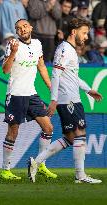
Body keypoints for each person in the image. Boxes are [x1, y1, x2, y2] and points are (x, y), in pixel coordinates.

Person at [28, 17, 103, 184]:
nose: (86, 37)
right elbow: (56, 74)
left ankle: (36, 162)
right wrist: (53, 99)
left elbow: (73, 77)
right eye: (84, 33)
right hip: (68, 100)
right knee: (80, 135)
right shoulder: (64, 49)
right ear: (74, 32)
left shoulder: (70, 50)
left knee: (70, 138)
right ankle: (80, 176)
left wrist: (88, 90)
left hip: (71, 98)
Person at [1, 19, 57, 180]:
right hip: (16, 94)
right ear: (16, 32)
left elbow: (41, 66)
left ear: (30, 28)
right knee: (13, 131)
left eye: (25, 26)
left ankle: (40, 164)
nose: (22, 29)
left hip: (31, 93)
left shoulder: (37, 44)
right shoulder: (12, 44)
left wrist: (50, 87)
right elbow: (5, 70)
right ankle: (6, 169)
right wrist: (13, 52)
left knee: (48, 128)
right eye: (19, 28)